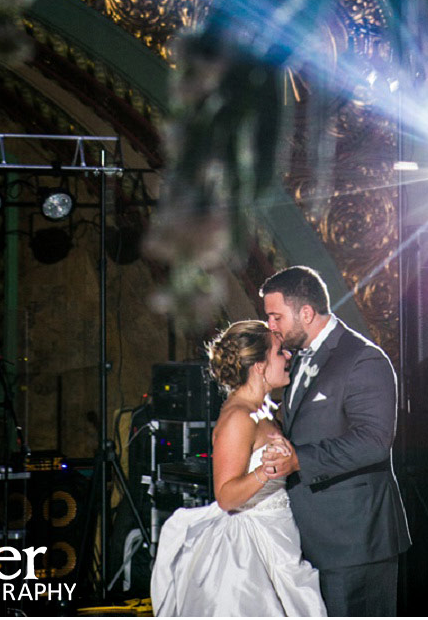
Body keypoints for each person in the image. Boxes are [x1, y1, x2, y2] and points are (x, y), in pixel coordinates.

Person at [259, 265, 410, 618]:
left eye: (277, 316)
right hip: (309, 538)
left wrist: (300, 460)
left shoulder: (363, 359)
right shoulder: (294, 360)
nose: (271, 326)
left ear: (306, 313)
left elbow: (374, 441)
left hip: (353, 542)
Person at [150, 319, 326, 617]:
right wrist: (265, 472)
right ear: (259, 365)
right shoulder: (238, 418)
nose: (288, 358)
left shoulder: (263, 410)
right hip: (249, 549)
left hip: (279, 535)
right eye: (280, 352)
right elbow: (227, 496)